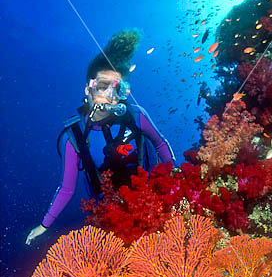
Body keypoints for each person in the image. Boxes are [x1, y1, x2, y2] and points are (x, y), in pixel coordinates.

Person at [26, 30, 175, 245]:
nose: (111, 96)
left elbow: (160, 144)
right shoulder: (74, 137)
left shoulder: (136, 115)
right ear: (88, 88)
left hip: (153, 199)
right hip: (110, 213)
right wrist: (44, 224)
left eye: (119, 89)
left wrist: (174, 177)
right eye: (103, 87)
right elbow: (67, 188)